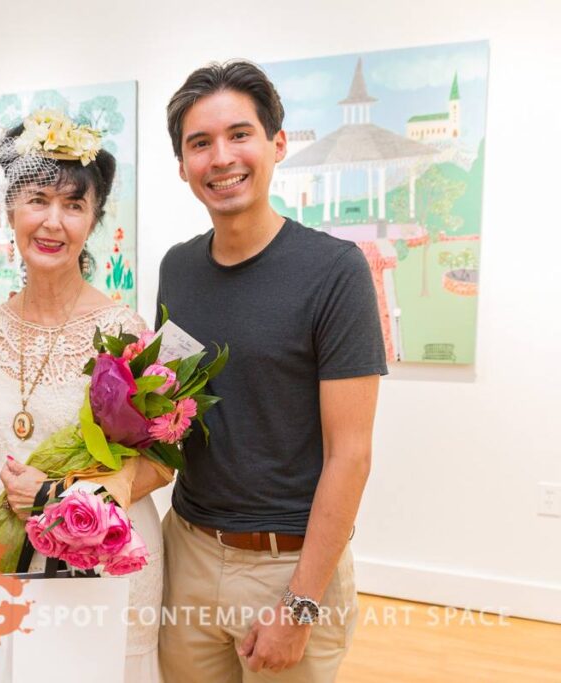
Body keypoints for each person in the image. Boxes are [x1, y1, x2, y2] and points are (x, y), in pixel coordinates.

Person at [156, 61, 387, 682]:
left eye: (240, 134)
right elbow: (172, 414)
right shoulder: (176, 269)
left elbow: (351, 455)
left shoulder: (335, 271)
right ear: (182, 166)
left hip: (288, 570)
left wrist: (301, 604)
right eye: (199, 143)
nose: (221, 157)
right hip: (188, 554)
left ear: (277, 144)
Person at [0, 112, 171, 683]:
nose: (53, 221)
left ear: (93, 220)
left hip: (95, 564)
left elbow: (162, 460)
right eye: (38, 199)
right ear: (11, 209)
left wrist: (66, 497)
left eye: (74, 205)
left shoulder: (125, 331)